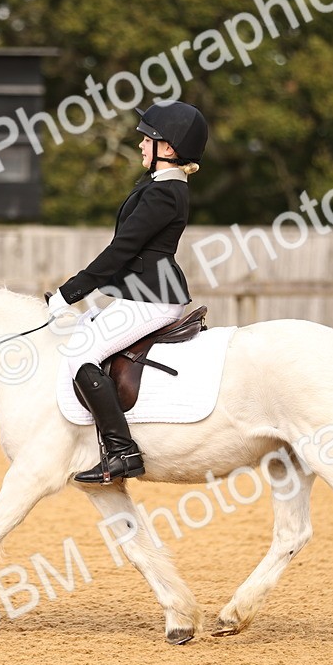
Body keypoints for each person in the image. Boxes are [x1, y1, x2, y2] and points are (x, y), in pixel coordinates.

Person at [47, 100, 209, 484]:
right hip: (141, 293)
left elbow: (122, 250)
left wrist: (68, 293)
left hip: (154, 297)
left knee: (81, 354)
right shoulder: (158, 185)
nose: (139, 144)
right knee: (85, 335)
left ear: (167, 149)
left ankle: (122, 451)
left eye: (146, 139)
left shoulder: (164, 194)